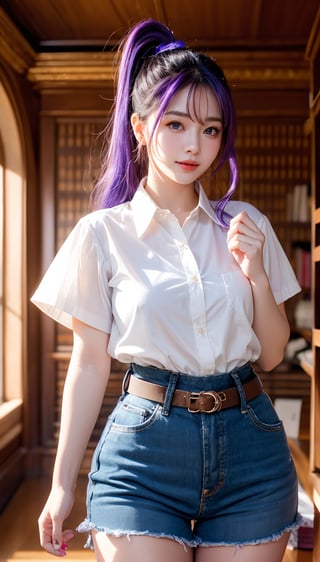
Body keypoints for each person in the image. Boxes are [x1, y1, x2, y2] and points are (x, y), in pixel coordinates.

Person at [31, 18, 301, 562]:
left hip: (251, 445)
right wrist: (61, 484)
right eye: (175, 124)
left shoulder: (246, 224)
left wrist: (258, 276)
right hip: (143, 456)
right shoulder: (101, 235)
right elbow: (87, 365)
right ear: (138, 125)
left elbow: (272, 354)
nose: (193, 146)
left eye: (211, 130)